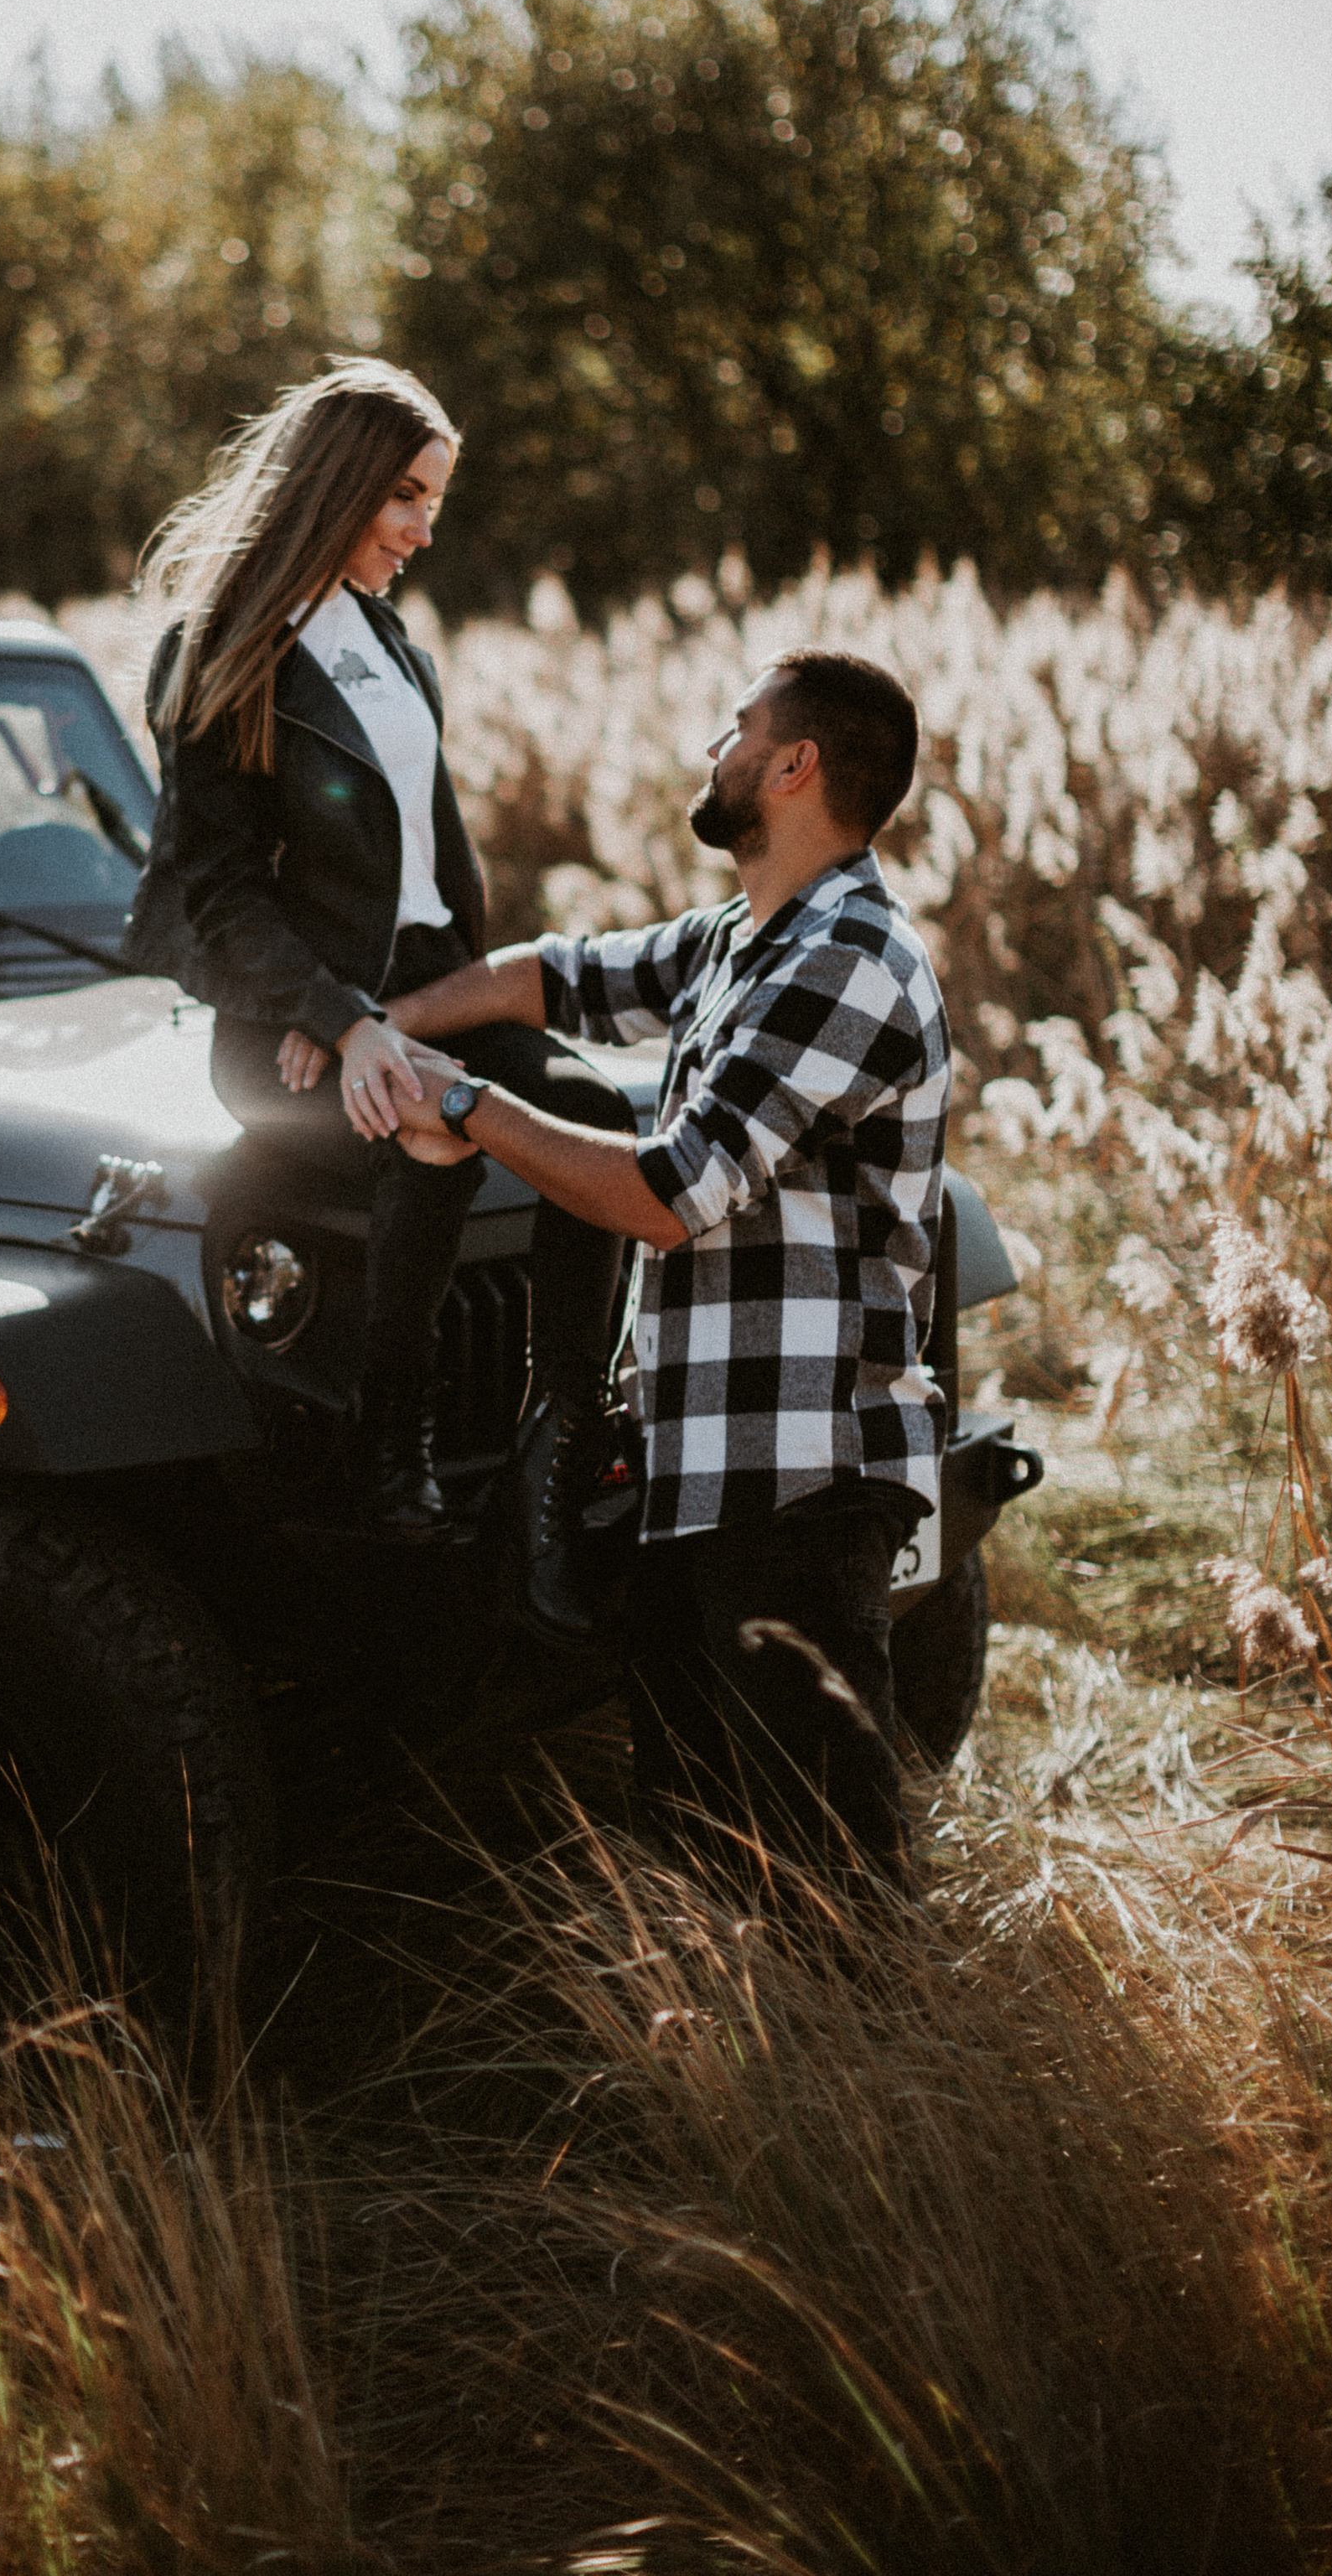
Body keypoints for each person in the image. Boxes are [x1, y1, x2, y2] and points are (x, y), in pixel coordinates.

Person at [376, 650, 950, 1897]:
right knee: (704, 1861)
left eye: (735, 728)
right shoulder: (742, 941)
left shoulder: (849, 959)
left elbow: (667, 1194)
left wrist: (465, 1105)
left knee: (830, 1878)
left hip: (801, 1485)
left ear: (793, 765)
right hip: (699, 1475)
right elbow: (553, 975)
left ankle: (878, 2037)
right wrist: (377, 1033)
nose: (712, 749)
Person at [123, 358, 639, 1639]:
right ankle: (387, 1441)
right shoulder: (224, 644)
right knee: (434, 1126)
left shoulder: (389, 642)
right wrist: (333, 1018)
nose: (422, 530)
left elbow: (418, 865)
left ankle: (560, 1441)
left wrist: (394, 1016)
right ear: (338, 483)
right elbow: (219, 892)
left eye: (433, 503)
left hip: (415, 994)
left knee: (597, 1118)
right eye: (405, 497)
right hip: (285, 1024)